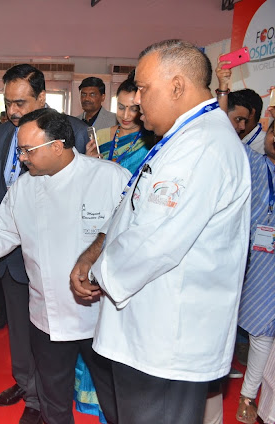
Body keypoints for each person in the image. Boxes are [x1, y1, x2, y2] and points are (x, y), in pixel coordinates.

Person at [70, 39, 251, 424]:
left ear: (177, 86)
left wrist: (100, 274)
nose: (135, 102)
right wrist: (94, 251)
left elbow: (154, 243)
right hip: (146, 329)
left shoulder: (203, 145)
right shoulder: (181, 138)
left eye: (143, 89)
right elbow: (131, 207)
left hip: (167, 342)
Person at [0, 108, 126, 424]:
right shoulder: (24, 187)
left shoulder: (109, 177)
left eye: (29, 150)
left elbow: (130, 234)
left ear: (58, 146)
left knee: (115, 397)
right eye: (20, 150)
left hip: (101, 313)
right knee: (52, 399)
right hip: (49, 313)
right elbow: (4, 232)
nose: (22, 158)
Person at [0, 63, 90, 424]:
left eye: (21, 102)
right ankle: (29, 392)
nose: (12, 111)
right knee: (22, 328)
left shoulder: (77, 132)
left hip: (65, 261)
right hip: (13, 252)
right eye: (8, 102)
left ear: (42, 98)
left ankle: (55, 397)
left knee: (63, 335)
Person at [235, 115, 275, 423]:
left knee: (264, 337)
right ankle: (247, 395)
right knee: (260, 334)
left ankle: (255, 399)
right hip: (254, 260)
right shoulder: (254, 162)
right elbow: (225, 131)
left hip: (268, 261)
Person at [85, 77, 154, 173]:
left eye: (133, 109)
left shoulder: (149, 141)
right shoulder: (101, 135)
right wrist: (88, 162)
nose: (125, 116)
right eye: (121, 107)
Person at [216, 59, 266, 154]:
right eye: (238, 119)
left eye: (244, 120)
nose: (242, 127)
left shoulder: (267, 146)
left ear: (251, 113)